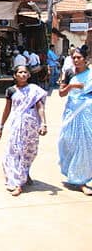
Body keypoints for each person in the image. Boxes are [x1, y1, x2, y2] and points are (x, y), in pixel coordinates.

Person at [0, 65, 48, 196]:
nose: (23, 74)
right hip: (16, 125)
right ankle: (17, 183)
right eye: (20, 72)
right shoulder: (11, 91)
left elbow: (40, 107)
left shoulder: (34, 90)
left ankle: (25, 173)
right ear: (15, 75)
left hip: (30, 125)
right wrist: (1, 126)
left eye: (25, 72)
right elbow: (7, 109)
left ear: (29, 75)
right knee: (15, 151)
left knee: (28, 151)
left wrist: (43, 123)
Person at [57, 47, 92, 195]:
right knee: (66, 141)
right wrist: (71, 85)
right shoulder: (69, 73)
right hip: (71, 112)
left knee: (84, 144)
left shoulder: (90, 74)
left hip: (86, 112)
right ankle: (71, 173)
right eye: (74, 58)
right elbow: (61, 93)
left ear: (86, 59)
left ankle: (81, 181)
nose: (76, 60)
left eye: (79, 57)